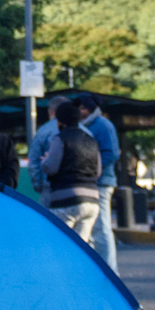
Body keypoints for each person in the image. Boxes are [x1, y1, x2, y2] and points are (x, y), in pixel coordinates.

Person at [39, 100, 102, 245]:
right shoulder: (91, 140)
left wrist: (45, 160)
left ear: (60, 121)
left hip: (66, 200)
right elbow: (98, 171)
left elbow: (51, 167)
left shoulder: (60, 138)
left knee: (61, 244)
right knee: (82, 248)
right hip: (92, 201)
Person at [76, 94, 121, 270]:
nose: (79, 112)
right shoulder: (89, 124)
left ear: (89, 109)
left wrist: (92, 170)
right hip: (93, 182)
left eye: (82, 108)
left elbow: (112, 153)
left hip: (101, 182)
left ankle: (110, 271)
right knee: (94, 229)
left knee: (102, 228)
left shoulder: (101, 125)